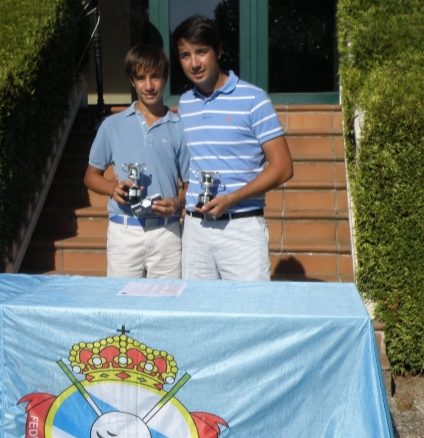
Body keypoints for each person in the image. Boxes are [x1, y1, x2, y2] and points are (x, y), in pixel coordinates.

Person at [172, 15, 293, 281]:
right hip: (195, 229)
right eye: (185, 55)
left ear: (219, 50)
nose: (194, 63)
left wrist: (231, 199)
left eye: (201, 52)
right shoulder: (185, 104)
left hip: (241, 228)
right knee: (200, 315)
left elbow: (283, 168)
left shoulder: (254, 99)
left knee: (249, 315)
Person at [84, 44, 189, 279]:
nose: (149, 86)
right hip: (124, 231)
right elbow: (90, 176)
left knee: (165, 306)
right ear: (132, 81)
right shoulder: (112, 125)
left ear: (166, 78)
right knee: (121, 306)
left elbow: (191, 184)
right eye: (141, 78)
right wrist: (113, 188)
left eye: (155, 77)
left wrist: (178, 203)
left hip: (167, 233)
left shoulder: (179, 127)